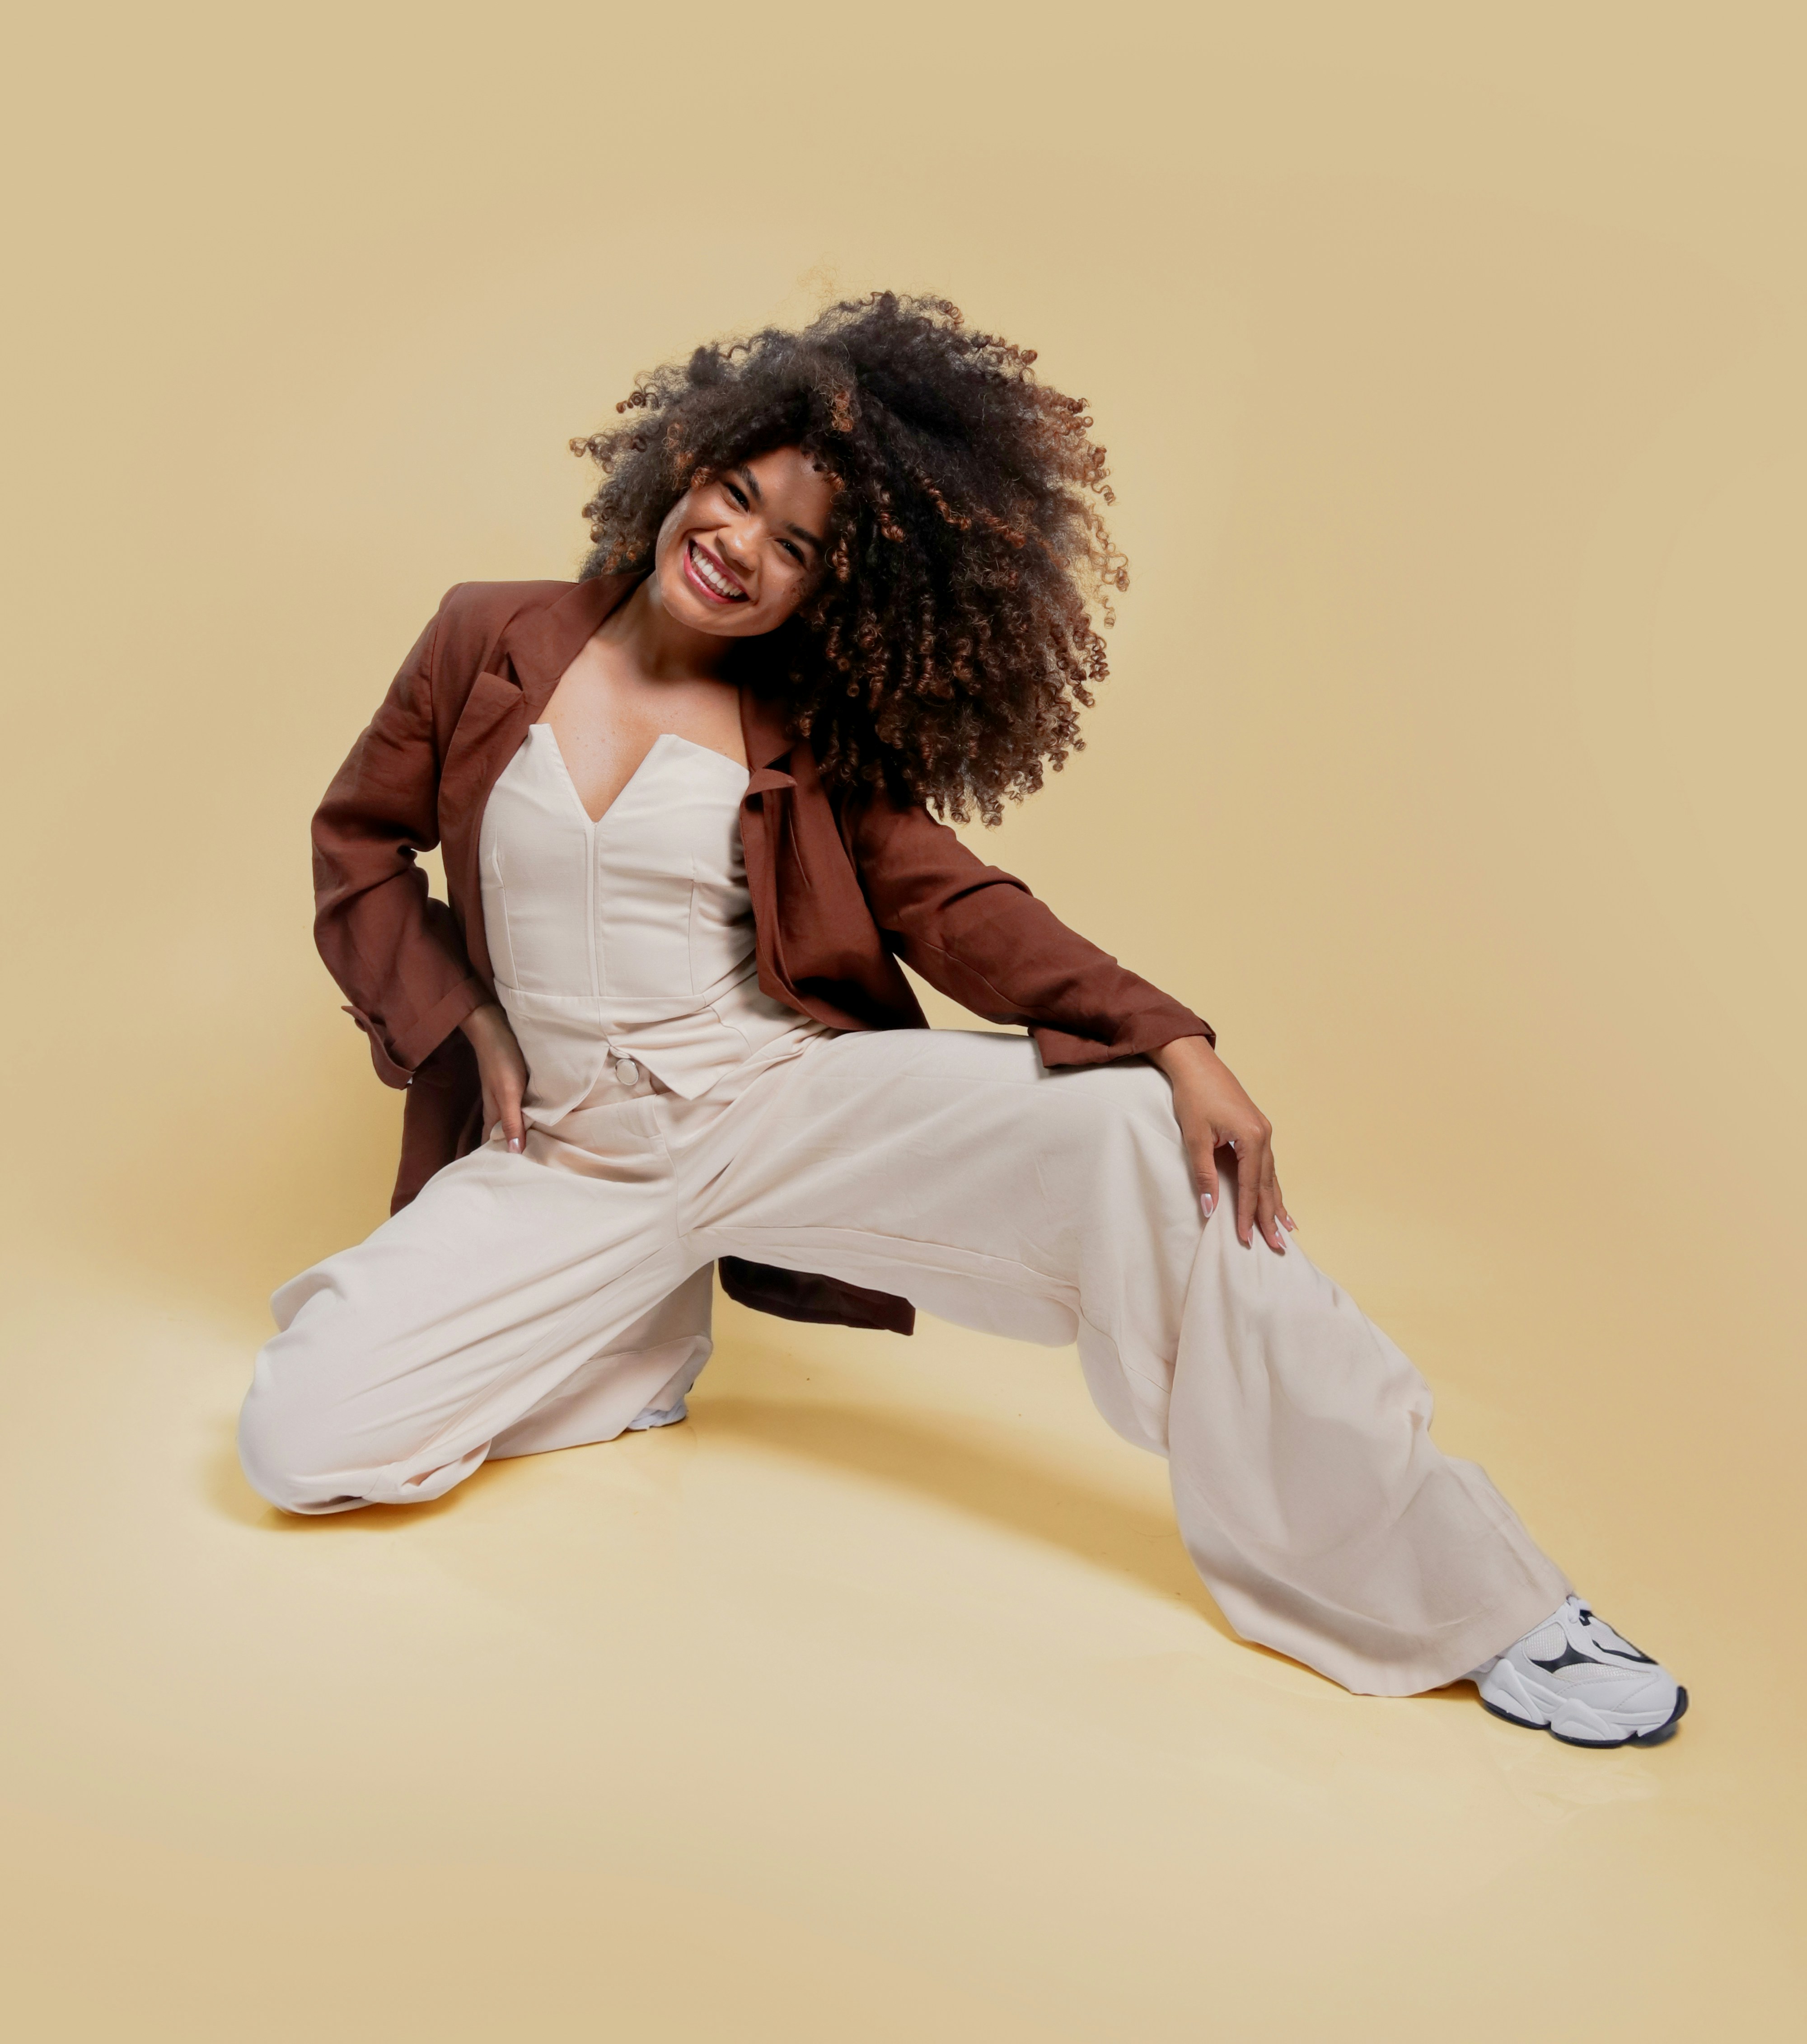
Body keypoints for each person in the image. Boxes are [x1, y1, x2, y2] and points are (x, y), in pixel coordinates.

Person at [239, 292, 1684, 1748]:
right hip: (564, 1158)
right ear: (684, 466)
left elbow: (958, 906)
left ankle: (1482, 1602)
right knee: (303, 1440)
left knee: (1144, 1138)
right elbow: (358, 845)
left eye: (796, 546)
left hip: (777, 1114)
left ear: (830, 592)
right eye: (738, 495)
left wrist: (1172, 1039)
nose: (741, 546)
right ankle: (633, 1334)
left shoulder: (803, 727)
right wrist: (462, 1018)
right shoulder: (484, 638)